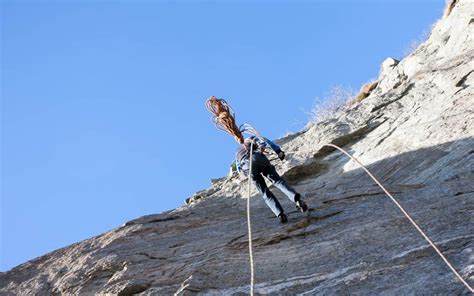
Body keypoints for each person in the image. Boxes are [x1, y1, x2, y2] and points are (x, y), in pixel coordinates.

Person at [235, 135, 308, 223]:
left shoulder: (237, 151)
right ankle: (297, 200)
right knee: (277, 181)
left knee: (264, 192)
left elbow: (239, 168)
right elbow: (266, 142)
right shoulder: (252, 137)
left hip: (247, 167)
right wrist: (279, 152)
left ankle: (280, 214)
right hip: (259, 158)